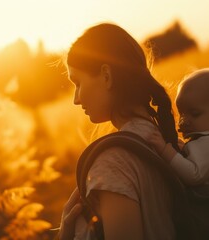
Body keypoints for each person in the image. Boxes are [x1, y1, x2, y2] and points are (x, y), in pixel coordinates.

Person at [58, 23, 185, 240]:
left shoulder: (112, 162)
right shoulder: (168, 143)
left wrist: (64, 235)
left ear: (106, 76)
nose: (76, 99)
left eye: (78, 83)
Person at [145, 68, 209, 239]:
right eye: (182, 114)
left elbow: (193, 174)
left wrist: (165, 150)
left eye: (195, 113)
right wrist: (183, 148)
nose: (185, 121)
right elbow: (199, 159)